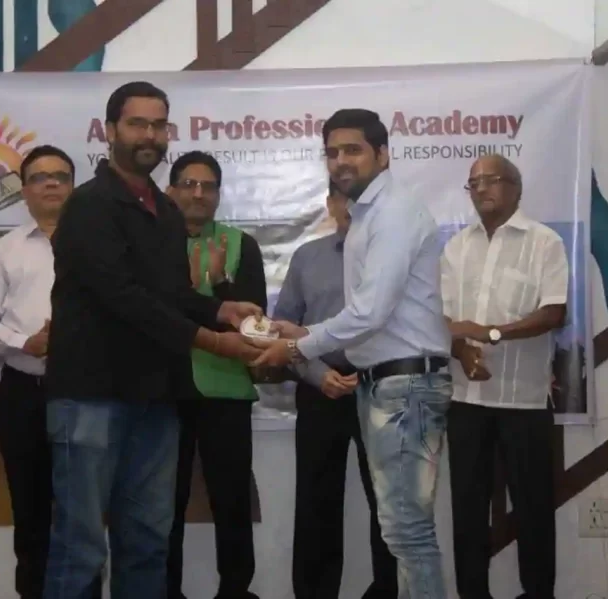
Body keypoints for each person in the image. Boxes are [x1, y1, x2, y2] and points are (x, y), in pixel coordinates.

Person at [42, 81, 263, 599]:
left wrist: (221, 309)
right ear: (110, 130)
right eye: (137, 123)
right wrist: (212, 341)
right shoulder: (89, 205)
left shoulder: (164, 212)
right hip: (91, 397)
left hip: (156, 399)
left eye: (159, 125)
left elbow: (171, 293)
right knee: (81, 547)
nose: (149, 135)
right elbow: (122, 296)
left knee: (147, 542)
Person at [251, 109, 452, 598]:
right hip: (384, 383)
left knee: (408, 534)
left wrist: (295, 345)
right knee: (402, 531)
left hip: (405, 386)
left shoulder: (394, 212)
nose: (341, 160)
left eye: (353, 150)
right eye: (332, 152)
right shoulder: (367, 216)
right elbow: (370, 315)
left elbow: (370, 312)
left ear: (383, 154)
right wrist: (301, 331)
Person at [0, 145, 102, 599]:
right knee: (29, 511)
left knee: (84, 515)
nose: (51, 184)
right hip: (24, 391)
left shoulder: (100, 246)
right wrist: (24, 342)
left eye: (61, 176)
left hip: (87, 391)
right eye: (40, 177)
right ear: (23, 190)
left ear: (74, 187)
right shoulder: (6, 249)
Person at [442, 154, 568, 599]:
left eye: (491, 180)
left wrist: (491, 333)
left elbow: (554, 312)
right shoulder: (456, 247)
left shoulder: (544, 242)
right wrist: (461, 350)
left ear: (516, 187)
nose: (481, 189)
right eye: (473, 183)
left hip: (524, 403)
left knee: (534, 512)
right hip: (466, 402)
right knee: (467, 514)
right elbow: (444, 319)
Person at [273, 181, 397, 599]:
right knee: (316, 500)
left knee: (388, 501)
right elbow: (283, 329)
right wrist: (317, 373)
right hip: (319, 388)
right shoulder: (307, 257)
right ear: (330, 204)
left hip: (381, 386)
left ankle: (388, 590)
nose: (354, 207)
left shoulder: (390, 256)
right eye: (346, 198)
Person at [165, 151, 266, 599]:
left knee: (232, 499)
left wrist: (221, 282)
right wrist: (191, 293)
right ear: (171, 191)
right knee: (163, 503)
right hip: (163, 392)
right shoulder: (149, 244)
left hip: (226, 389)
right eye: (189, 184)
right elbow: (148, 313)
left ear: (219, 195)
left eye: (207, 186)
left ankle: (235, 590)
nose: (198, 193)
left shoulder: (241, 244)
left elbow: (255, 325)